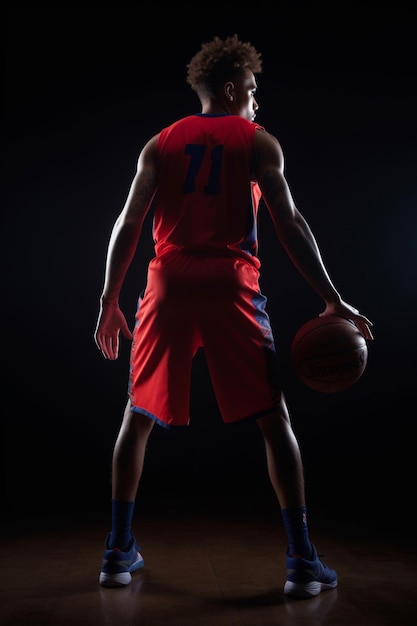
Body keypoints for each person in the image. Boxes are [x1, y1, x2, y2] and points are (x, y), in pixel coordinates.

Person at [94, 34, 373, 599]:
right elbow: (289, 222)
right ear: (230, 89)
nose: (254, 101)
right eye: (251, 90)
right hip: (230, 285)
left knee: (137, 416)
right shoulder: (258, 142)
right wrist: (332, 297)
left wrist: (109, 300)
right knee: (275, 422)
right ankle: (301, 561)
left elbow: (127, 225)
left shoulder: (160, 142)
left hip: (167, 284)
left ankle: (118, 551)